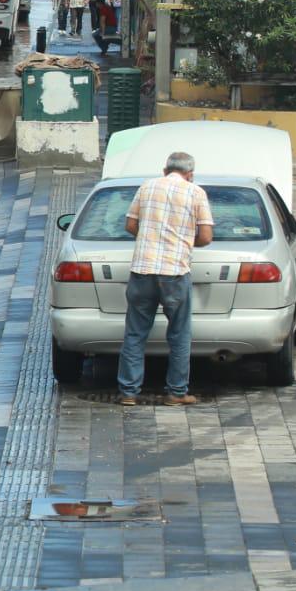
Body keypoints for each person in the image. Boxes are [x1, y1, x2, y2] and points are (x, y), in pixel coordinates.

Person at [117, 151, 214, 407]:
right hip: (175, 272)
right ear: (190, 174)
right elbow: (205, 236)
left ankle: (128, 393)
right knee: (180, 335)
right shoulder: (196, 193)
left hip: (142, 270)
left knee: (135, 333)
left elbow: (130, 225)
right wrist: (181, 242)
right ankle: (176, 393)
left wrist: (152, 238)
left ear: (164, 170)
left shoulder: (147, 187)